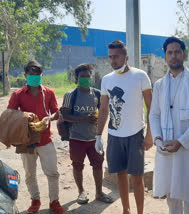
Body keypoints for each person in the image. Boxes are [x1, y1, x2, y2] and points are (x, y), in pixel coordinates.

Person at [149, 37, 189, 214]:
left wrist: (181, 141)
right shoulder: (159, 85)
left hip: (187, 148)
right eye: (169, 52)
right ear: (165, 56)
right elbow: (154, 114)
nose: (173, 56)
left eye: (177, 52)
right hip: (166, 146)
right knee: (171, 195)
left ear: (183, 54)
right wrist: (157, 138)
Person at [95, 40, 153, 214]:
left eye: (117, 57)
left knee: (137, 177)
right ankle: (126, 210)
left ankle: (140, 212)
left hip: (135, 134)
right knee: (120, 174)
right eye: (110, 57)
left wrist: (150, 135)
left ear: (126, 57)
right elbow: (103, 109)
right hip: (114, 135)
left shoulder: (140, 76)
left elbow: (151, 107)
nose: (113, 61)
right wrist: (98, 135)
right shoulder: (106, 79)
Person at [7, 60, 65, 214]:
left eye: (38, 74)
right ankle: (35, 200)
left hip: (45, 139)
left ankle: (54, 201)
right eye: (31, 75)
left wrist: (49, 118)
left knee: (52, 172)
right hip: (26, 140)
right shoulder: (18, 94)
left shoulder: (49, 92)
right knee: (30, 173)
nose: (35, 77)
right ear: (25, 75)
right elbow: (9, 114)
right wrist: (25, 115)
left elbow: (56, 112)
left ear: (42, 75)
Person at [61, 64, 113, 204]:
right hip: (76, 138)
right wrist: (83, 119)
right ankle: (81, 192)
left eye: (88, 76)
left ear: (91, 77)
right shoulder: (70, 95)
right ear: (77, 78)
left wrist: (98, 124)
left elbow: (103, 112)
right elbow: (64, 115)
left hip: (94, 138)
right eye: (82, 76)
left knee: (98, 165)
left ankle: (99, 193)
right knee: (77, 165)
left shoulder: (97, 94)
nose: (85, 79)